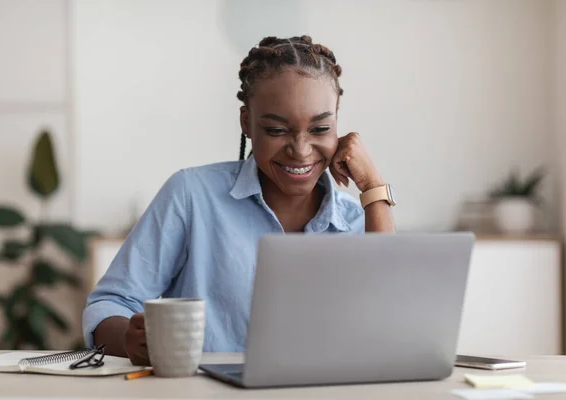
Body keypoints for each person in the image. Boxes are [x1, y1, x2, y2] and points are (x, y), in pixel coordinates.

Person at [82, 35, 395, 365]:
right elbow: (110, 304)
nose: (301, 150)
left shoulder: (358, 221)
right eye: (277, 130)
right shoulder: (191, 196)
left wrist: (374, 189)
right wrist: (130, 341)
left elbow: (391, 326)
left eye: (320, 129)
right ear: (247, 122)